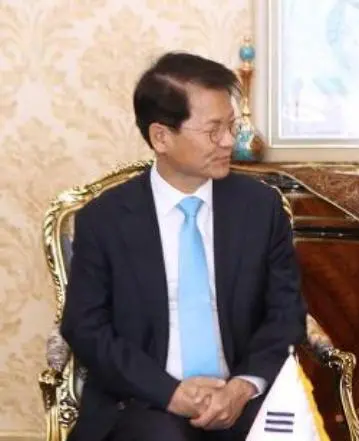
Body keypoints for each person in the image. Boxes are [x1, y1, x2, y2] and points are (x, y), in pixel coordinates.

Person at [60, 52, 307, 441]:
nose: (229, 141)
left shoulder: (259, 208)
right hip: (143, 401)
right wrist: (169, 393)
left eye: (231, 126)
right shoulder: (105, 219)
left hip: (241, 396)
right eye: (213, 130)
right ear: (161, 136)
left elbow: (286, 313)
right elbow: (86, 327)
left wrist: (243, 386)